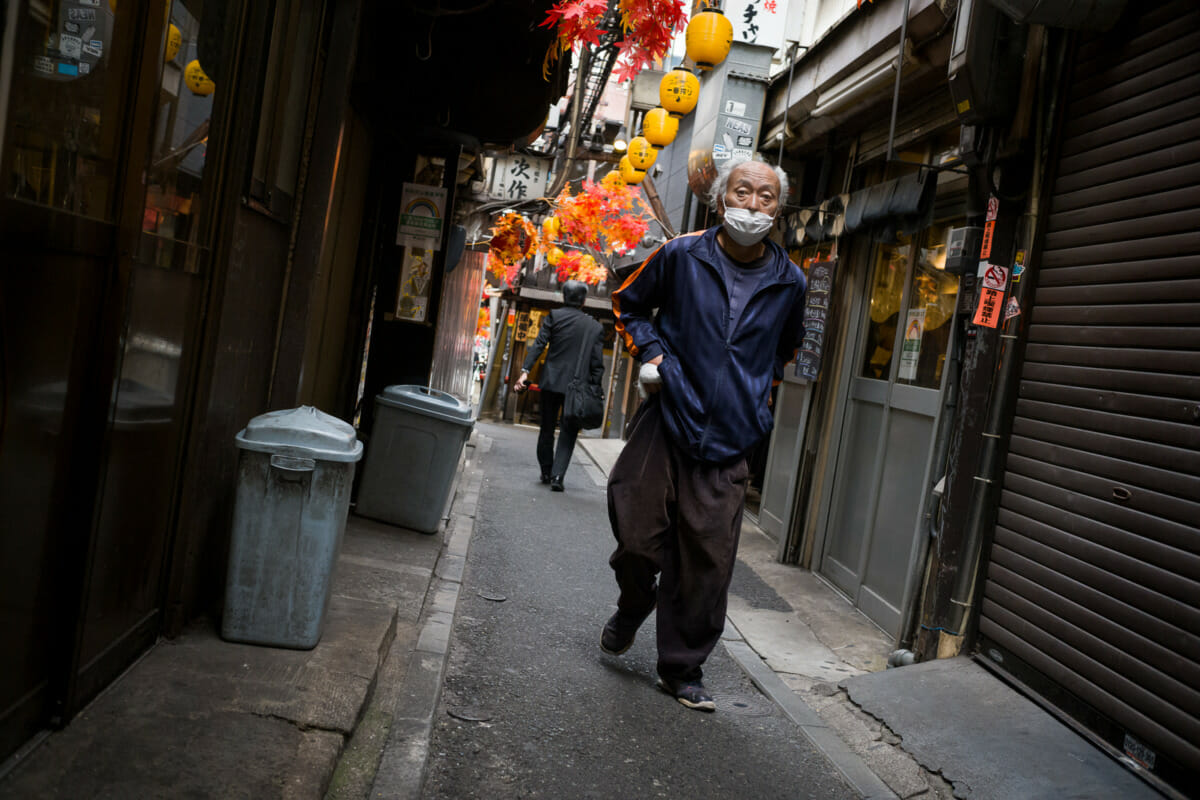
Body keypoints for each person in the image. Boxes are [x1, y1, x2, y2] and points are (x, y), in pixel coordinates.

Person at [601, 156, 806, 711]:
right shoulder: (681, 254)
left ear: (777, 209)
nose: (754, 205)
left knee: (707, 560)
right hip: (669, 414)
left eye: (766, 197)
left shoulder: (791, 281)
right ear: (721, 200)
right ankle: (635, 601)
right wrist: (655, 354)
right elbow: (629, 304)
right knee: (637, 531)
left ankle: (681, 668)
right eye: (743, 192)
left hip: (734, 437)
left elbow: (786, 348)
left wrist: (758, 400)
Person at [514, 280, 604, 491]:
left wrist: (525, 372)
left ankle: (546, 470)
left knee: (546, 428)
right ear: (584, 301)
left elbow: (539, 345)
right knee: (569, 430)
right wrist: (595, 387)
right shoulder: (594, 327)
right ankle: (557, 477)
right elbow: (597, 364)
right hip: (577, 386)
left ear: (564, 297)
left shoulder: (554, 317)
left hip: (551, 382)